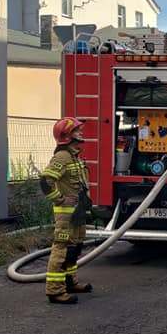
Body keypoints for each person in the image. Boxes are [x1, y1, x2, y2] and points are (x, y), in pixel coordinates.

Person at [40, 117, 94, 305]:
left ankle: (70, 282)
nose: (81, 133)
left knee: (75, 247)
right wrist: (60, 199)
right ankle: (55, 291)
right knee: (61, 250)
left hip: (77, 211)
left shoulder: (74, 155)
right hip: (66, 213)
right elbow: (46, 181)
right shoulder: (62, 156)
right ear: (66, 135)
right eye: (77, 131)